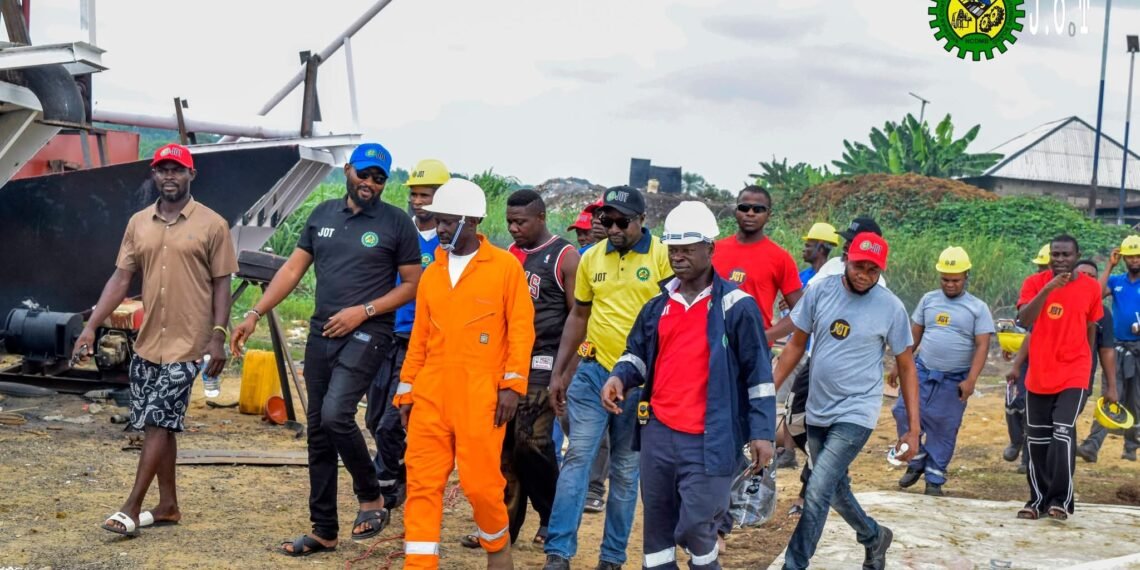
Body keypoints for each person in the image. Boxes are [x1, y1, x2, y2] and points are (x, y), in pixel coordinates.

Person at [231, 142, 422, 556]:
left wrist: (363, 311)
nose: (370, 183)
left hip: (370, 331)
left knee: (337, 414)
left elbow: (412, 284)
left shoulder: (395, 223)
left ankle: (371, 495)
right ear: (349, 170)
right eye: (364, 174)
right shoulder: (322, 215)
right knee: (318, 429)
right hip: (323, 333)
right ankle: (324, 530)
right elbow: (292, 270)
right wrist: (255, 313)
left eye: (379, 178)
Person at [599, 201, 776, 570]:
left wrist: (762, 433)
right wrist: (619, 376)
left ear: (710, 249)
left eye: (687, 249)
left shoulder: (736, 307)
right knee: (657, 527)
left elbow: (759, 376)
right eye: (673, 249)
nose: (678, 257)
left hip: (710, 438)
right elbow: (636, 355)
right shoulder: (657, 305)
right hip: (658, 433)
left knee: (697, 525)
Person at [74, 143, 238, 537]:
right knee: (159, 426)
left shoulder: (213, 225)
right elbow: (121, 279)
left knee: (157, 420)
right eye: (163, 169)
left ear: (191, 174)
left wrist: (218, 336)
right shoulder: (138, 223)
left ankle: (130, 507)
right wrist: (91, 326)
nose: (169, 176)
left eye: (177, 169)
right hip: (148, 342)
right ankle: (168, 506)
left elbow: (222, 284)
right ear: (154, 174)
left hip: (189, 343)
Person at [394, 178, 535, 569]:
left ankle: (498, 547)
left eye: (447, 221)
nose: (438, 229)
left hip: (481, 397)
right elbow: (419, 338)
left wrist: (512, 386)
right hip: (430, 395)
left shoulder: (505, 268)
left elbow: (521, 331)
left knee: (481, 484)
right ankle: (419, 564)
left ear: (472, 221)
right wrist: (406, 391)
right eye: (437, 220)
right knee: (422, 483)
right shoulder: (433, 274)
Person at [772, 232, 919, 570]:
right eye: (858, 266)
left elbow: (907, 367)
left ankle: (794, 564)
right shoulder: (820, 292)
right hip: (817, 409)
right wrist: (768, 390)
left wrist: (913, 429)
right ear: (846, 259)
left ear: (881, 270)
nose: (864, 275)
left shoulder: (891, 307)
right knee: (834, 489)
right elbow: (796, 345)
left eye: (872, 270)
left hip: (857, 411)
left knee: (817, 488)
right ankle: (873, 536)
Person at [544, 186, 673, 570]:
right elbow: (579, 315)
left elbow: (674, 318)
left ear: (642, 220)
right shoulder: (591, 257)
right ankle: (558, 553)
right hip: (593, 371)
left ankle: (612, 557)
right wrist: (559, 372)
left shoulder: (662, 256)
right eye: (606, 220)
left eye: (622, 222)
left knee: (625, 471)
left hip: (639, 382)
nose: (612, 228)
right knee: (577, 457)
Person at [459, 189, 579, 548]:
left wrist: (564, 372)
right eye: (509, 222)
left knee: (532, 442)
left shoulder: (565, 257)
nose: (513, 228)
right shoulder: (508, 256)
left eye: (520, 222)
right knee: (505, 448)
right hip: (508, 360)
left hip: (545, 360)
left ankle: (552, 516)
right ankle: (502, 528)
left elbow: (578, 316)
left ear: (541, 218)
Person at [365, 158, 448, 510]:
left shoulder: (448, 243)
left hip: (420, 342)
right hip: (385, 332)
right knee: (373, 417)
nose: (417, 201)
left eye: (425, 195)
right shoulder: (398, 230)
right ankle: (399, 471)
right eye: (414, 195)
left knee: (391, 420)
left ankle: (387, 485)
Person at [1014, 235, 1116, 520]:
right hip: (1039, 373)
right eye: (1055, 254)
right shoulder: (1034, 283)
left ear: (1076, 256)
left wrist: (1087, 364)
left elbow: (1091, 326)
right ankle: (1037, 500)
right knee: (1036, 440)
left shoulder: (1090, 288)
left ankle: (1060, 499)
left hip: (1074, 372)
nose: (1060, 259)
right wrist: (1048, 289)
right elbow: (1024, 320)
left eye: (1066, 255)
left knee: (1062, 432)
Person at [888, 246, 994, 496]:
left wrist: (971, 380)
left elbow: (982, 345)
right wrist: (898, 364)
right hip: (922, 372)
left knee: (944, 425)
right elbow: (914, 334)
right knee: (902, 411)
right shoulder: (929, 300)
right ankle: (916, 460)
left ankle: (934, 478)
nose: (950, 284)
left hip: (955, 379)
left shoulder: (977, 308)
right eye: (945, 279)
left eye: (955, 280)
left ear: (966, 276)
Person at [712, 185, 803, 340]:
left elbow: (800, 311)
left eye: (758, 209)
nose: (750, 213)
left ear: (769, 214)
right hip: (713, 344)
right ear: (736, 211)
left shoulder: (780, 258)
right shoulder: (714, 251)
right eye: (744, 208)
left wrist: (763, 338)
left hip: (753, 350)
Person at [1077, 249, 1136, 462]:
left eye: (1138, 256)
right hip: (1117, 347)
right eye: (1131, 256)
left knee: (1136, 399)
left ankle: (1131, 445)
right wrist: (1110, 265)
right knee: (1110, 394)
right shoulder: (1117, 281)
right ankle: (1092, 446)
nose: (1135, 260)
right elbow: (1096, 296)